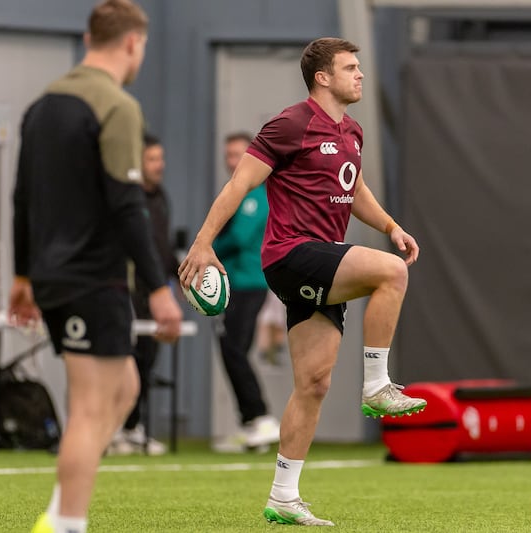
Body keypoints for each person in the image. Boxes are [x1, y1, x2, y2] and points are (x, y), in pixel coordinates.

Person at [178, 37, 426, 527]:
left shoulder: (352, 131)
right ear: (322, 77)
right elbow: (240, 184)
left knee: (313, 383)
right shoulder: (291, 124)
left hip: (319, 261)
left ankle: (284, 497)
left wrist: (391, 226)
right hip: (291, 253)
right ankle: (377, 384)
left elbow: (352, 190)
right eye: (349, 68)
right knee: (392, 272)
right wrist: (204, 242)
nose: (359, 75)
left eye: (359, 67)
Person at [8, 2, 183, 532]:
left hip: (55, 278)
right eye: (144, 48)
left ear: (90, 37)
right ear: (131, 43)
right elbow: (128, 207)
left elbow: (21, 200)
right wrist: (157, 287)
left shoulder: (41, 105)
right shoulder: (117, 106)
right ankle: (67, 524)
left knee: (125, 387)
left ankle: (59, 514)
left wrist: (22, 276)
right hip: (93, 279)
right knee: (89, 408)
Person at [108, 132, 178, 456]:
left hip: (156, 292)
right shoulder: (129, 199)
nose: (159, 165)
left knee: (147, 360)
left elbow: (161, 249)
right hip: (128, 289)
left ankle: (133, 428)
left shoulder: (161, 197)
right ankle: (113, 429)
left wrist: (180, 274)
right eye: (152, 159)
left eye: (161, 158)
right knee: (124, 359)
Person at [211, 132, 280, 453]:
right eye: (227, 155)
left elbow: (237, 239)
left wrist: (206, 249)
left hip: (248, 283)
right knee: (232, 349)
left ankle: (261, 417)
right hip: (239, 283)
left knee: (233, 349)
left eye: (237, 154)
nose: (231, 161)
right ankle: (251, 424)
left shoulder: (256, 195)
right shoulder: (240, 193)